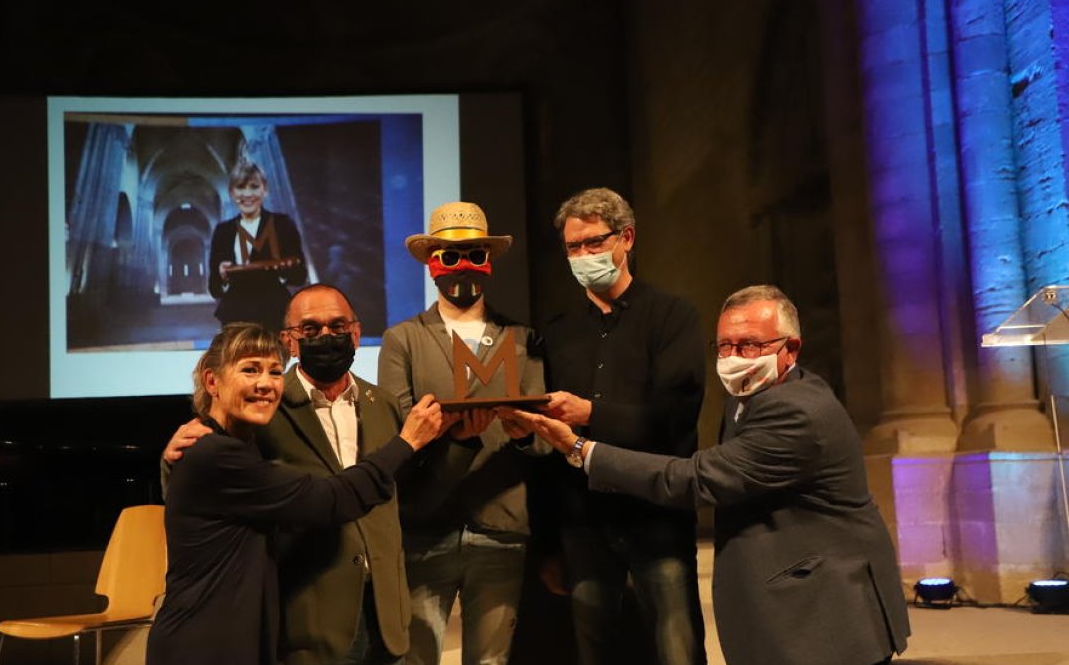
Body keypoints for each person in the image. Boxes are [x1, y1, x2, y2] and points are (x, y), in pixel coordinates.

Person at [502, 285, 912, 665]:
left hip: (825, 614)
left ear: (791, 349)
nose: (734, 357)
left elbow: (696, 479)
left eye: (750, 345)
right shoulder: (752, 394)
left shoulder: (796, 411)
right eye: (725, 345)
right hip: (789, 599)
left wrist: (580, 448)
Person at [147, 322, 444, 665]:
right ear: (212, 381)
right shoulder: (215, 454)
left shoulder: (230, 445)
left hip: (235, 638)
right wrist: (406, 443)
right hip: (205, 645)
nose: (265, 383)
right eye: (250, 370)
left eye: (275, 371)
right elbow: (329, 500)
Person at [534, 187, 707, 665]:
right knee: (596, 652)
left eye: (594, 242)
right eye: (573, 247)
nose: (583, 255)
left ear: (626, 238)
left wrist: (590, 414)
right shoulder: (559, 332)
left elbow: (675, 416)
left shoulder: (672, 316)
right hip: (584, 523)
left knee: (677, 650)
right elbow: (549, 450)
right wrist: (549, 543)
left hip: (657, 517)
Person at [377, 202, 547, 665]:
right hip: (426, 524)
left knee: (491, 660)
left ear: (488, 260)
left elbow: (543, 438)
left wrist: (523, 433)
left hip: (501, 524)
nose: (462, 267)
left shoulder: (521, 338)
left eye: (474, 254)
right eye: (450, 256)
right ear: (432, 262)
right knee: (415, 657)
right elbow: (398, 429)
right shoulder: (403, 339)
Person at [208, 158, 308, 330]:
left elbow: (300, 276)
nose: (247, 194)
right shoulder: (223, 231)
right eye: (240, 187)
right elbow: (214, 288)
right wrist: (222, 276)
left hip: (275, 314)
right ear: (232, 193)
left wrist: (285, 270)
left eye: (254, 187)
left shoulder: (282, 224)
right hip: (236, 317)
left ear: (265, 190)